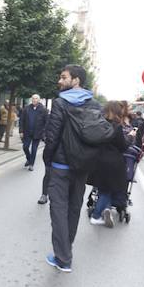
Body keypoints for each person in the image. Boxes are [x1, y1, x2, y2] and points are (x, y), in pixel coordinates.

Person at [41, 65, 98, 273]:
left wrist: (48, 159)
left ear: (76, 80)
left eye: (63, 77)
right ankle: (67, 248)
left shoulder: (60, 103)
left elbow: (52, 135)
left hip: (61, 165)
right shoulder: (95, 104)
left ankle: (63, 258)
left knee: (58, 209)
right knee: (74, 208)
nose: (59, 81)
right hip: (82, 166)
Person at [88, 102, 131, 228]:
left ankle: (103, 210)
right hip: (112, 162)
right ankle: (96, 216)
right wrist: (130, 137)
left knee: (102, 189)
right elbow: (122, 146)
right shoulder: (116, 127)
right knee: (108, 191)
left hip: (98, 160)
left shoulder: (98, 124)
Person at [20, 94, 48, 171]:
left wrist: (44, 133)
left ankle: (31, 164)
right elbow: (22, 120)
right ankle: (28, 158)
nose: (34, 100)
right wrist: (21, 131)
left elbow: (46, 122)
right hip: (27, 132)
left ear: (38, 100)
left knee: (34, 149)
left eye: (36, 98)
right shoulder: (26, 109)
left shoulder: (43, 110)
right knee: (25, 147)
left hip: (37, 133)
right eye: (33, 98)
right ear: (31, 99)